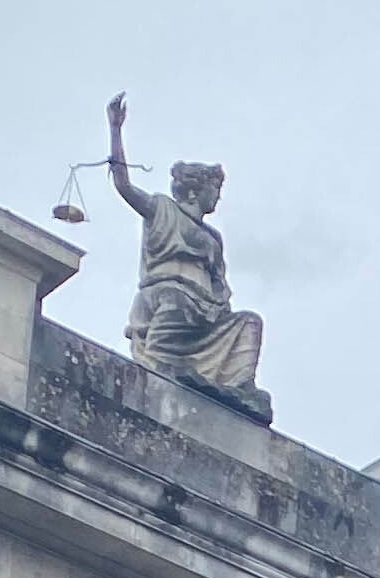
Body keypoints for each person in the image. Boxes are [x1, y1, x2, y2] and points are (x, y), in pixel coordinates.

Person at [104, 93, 270, 413]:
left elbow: (221, 287)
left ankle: (238, 388)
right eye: (214, 190)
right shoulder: (161, 208)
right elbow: (123, 185)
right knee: (174, 314)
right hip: (170, 298)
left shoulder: (214, 237)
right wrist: (115, 131)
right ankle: (164, 366)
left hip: (206, 311)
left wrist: (219, 309)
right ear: (196, 189)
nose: (217, 199)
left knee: (250, 322)